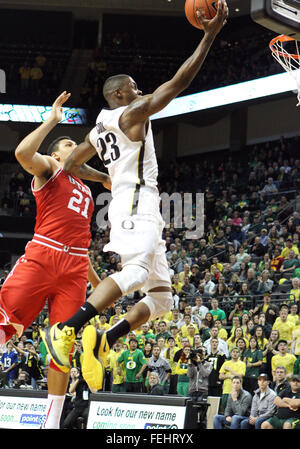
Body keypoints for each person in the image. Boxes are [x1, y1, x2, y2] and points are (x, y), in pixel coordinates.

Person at [40, 0, 229, 391]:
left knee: (162, 299)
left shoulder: (97, 129)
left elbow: (72, 165)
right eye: (135, 88)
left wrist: (106, 178)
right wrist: (208, 36)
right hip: (136, 203)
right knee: (136, 274)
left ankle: (103, 339)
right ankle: (67, 330)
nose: (140, 91)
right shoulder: (129, 115)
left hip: (134, 201)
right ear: (122, 94)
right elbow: (176, 85)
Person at [0, 93, 109, 428]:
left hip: (74, 267)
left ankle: (51, 423)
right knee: (5, 322)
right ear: (55, 155)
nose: (74, 150)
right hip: (43, 256)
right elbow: (21, 153)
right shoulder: (50, 169)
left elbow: (81, 241)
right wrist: (52, 120)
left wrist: (96, 282)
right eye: (68, 146)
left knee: (62, 346)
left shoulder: (87, 192)